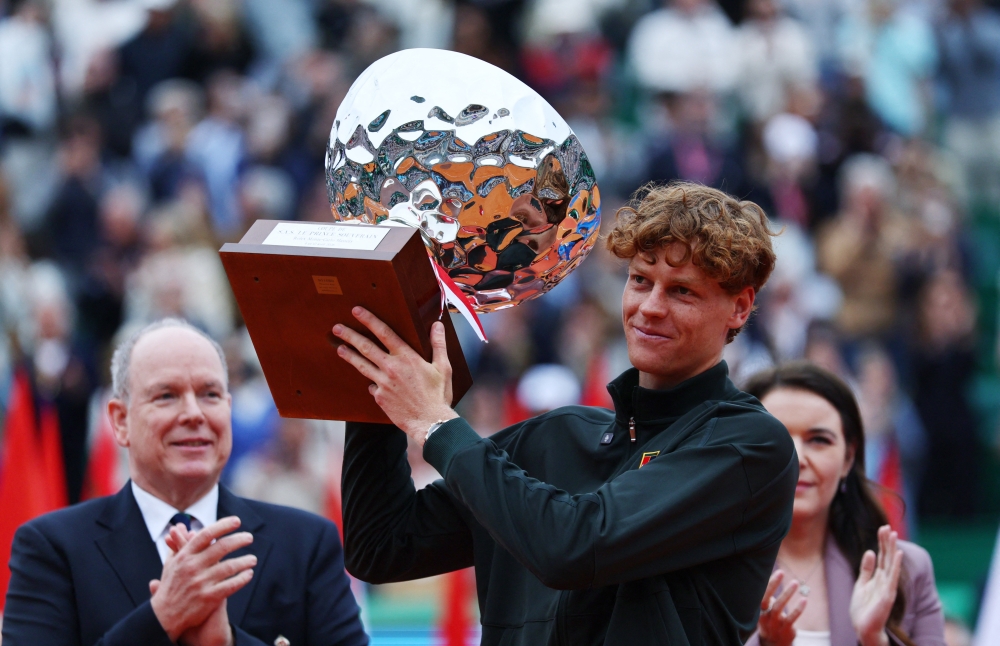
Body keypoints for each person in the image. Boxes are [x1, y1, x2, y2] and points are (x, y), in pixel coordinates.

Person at [337, 182, 799, 644]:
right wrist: (383, 366)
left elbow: (577, 547)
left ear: (739, 307)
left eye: (682, 291)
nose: (650, 308)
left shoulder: (748, 444)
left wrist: (437, 424)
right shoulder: (555, 435)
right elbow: (380, 547)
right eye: (640, 280)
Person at [2, 318, 368, 646]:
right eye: (167, 396)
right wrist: (160, 618)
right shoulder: (51, 548)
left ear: (228, 406)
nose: (193, 413)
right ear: (120, 420)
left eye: (209, 394)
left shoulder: (306, 544)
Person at [742, 362, 945, 646]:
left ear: (848, 458)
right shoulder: (704, 568)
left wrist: (874, 639)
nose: (798, 458)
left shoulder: (907, 572)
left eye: (819, 440)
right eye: (776, 438)